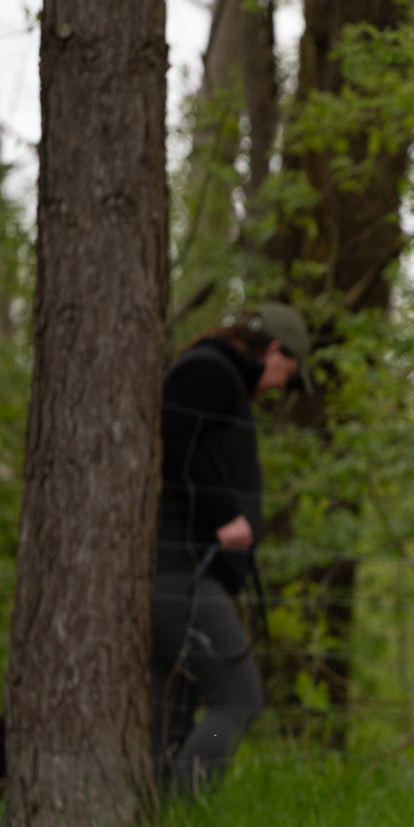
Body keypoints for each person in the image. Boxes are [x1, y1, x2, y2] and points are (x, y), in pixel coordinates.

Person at [151, 303, 310, 794]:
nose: (284, 386)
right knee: (238, 700)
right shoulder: (210, 370)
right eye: (290, 372)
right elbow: (172, 441)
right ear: (274, 350)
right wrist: (224, 517)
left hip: (180, 571)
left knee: (172, 711)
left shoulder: (215, 373)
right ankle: (182, 812)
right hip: (182, 571)